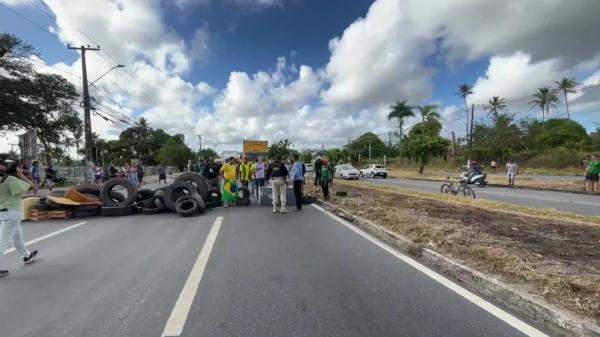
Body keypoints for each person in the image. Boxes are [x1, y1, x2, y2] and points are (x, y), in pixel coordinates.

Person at [0, 160, 39, 278]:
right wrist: (20, 174)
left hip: (4, 212)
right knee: (3, 241)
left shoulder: (3, 180)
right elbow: (33, 187)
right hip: (12, 213)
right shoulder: (10, 180)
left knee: (17, 235)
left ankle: (26, 255)